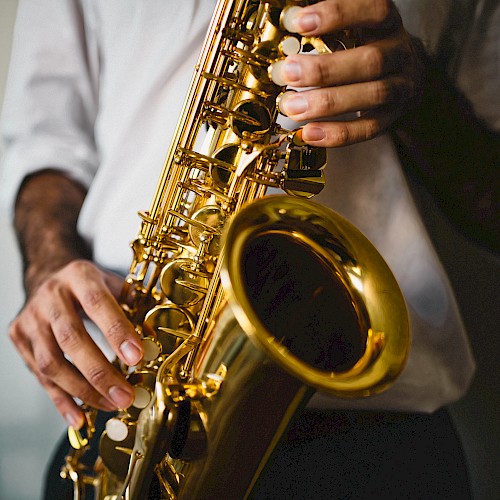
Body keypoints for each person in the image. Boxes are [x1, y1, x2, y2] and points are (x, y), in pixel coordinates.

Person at [1, 0, 497, 498]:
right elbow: (47, 147)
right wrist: (49, 267)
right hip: (130, 399)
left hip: (383, 436)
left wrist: (421, 95)